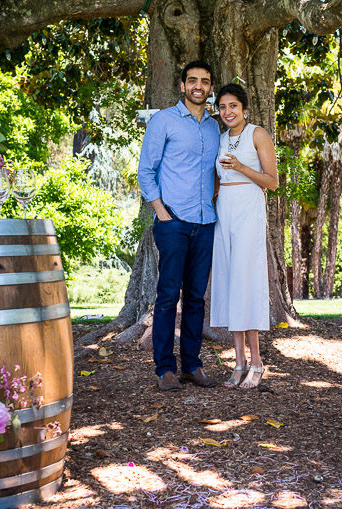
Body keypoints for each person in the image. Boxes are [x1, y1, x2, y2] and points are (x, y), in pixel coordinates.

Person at [137, 60, 221, 391]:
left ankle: (192, 366)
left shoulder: (214, 128)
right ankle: (165, 369)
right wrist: (161, 212)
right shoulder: (164, 121)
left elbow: (215, 172)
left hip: (205, 222)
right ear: (183, 85)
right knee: (169, 295)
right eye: (193, 80)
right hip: (173, 221)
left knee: (196, 298)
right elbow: (146, 170)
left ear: (210, 87)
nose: (199, 86)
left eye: (205, 81)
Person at [210, 83, 278, 389]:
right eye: (223, 107)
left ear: (244, 109)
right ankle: (238, 363)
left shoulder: (257, 134)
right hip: (224, 209)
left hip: (249, 208)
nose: (228, 112)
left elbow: (272, 182)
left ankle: (257, 363)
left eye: (233, 106)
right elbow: (218, 179)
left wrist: (240, 166)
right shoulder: (221, 138)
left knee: (246, 281)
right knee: (228, 282)